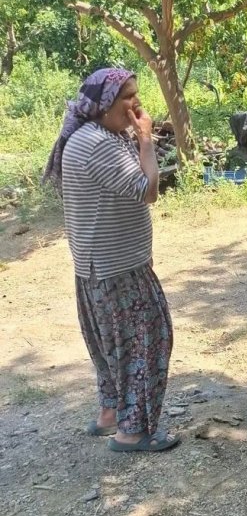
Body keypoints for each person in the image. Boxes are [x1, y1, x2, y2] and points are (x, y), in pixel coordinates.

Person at [44, 68, 178, 452]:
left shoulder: (96, 136)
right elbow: (147, 189)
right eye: (126, 96)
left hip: (97, 267)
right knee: (148, 341)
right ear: (102, 105)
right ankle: (131, 431)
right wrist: (146, 141)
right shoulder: (98, 143)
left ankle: (110, 413)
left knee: (111, 345)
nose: (135, 103)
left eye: (136, 93)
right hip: (118, 269)